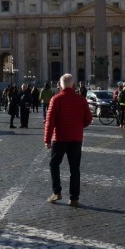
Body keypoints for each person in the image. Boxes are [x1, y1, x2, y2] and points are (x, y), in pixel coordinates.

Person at [44, 73, 93, 207]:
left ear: (60, 85)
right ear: (73, 85)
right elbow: (88, 119)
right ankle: (74, 198)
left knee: (54, 164)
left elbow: (50, 121)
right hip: (76, 139)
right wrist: (78, 126)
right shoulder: (81, 100)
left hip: (60, 138)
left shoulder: (56, 99)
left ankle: (57, 192)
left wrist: (47, 140)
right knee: (75, 169)